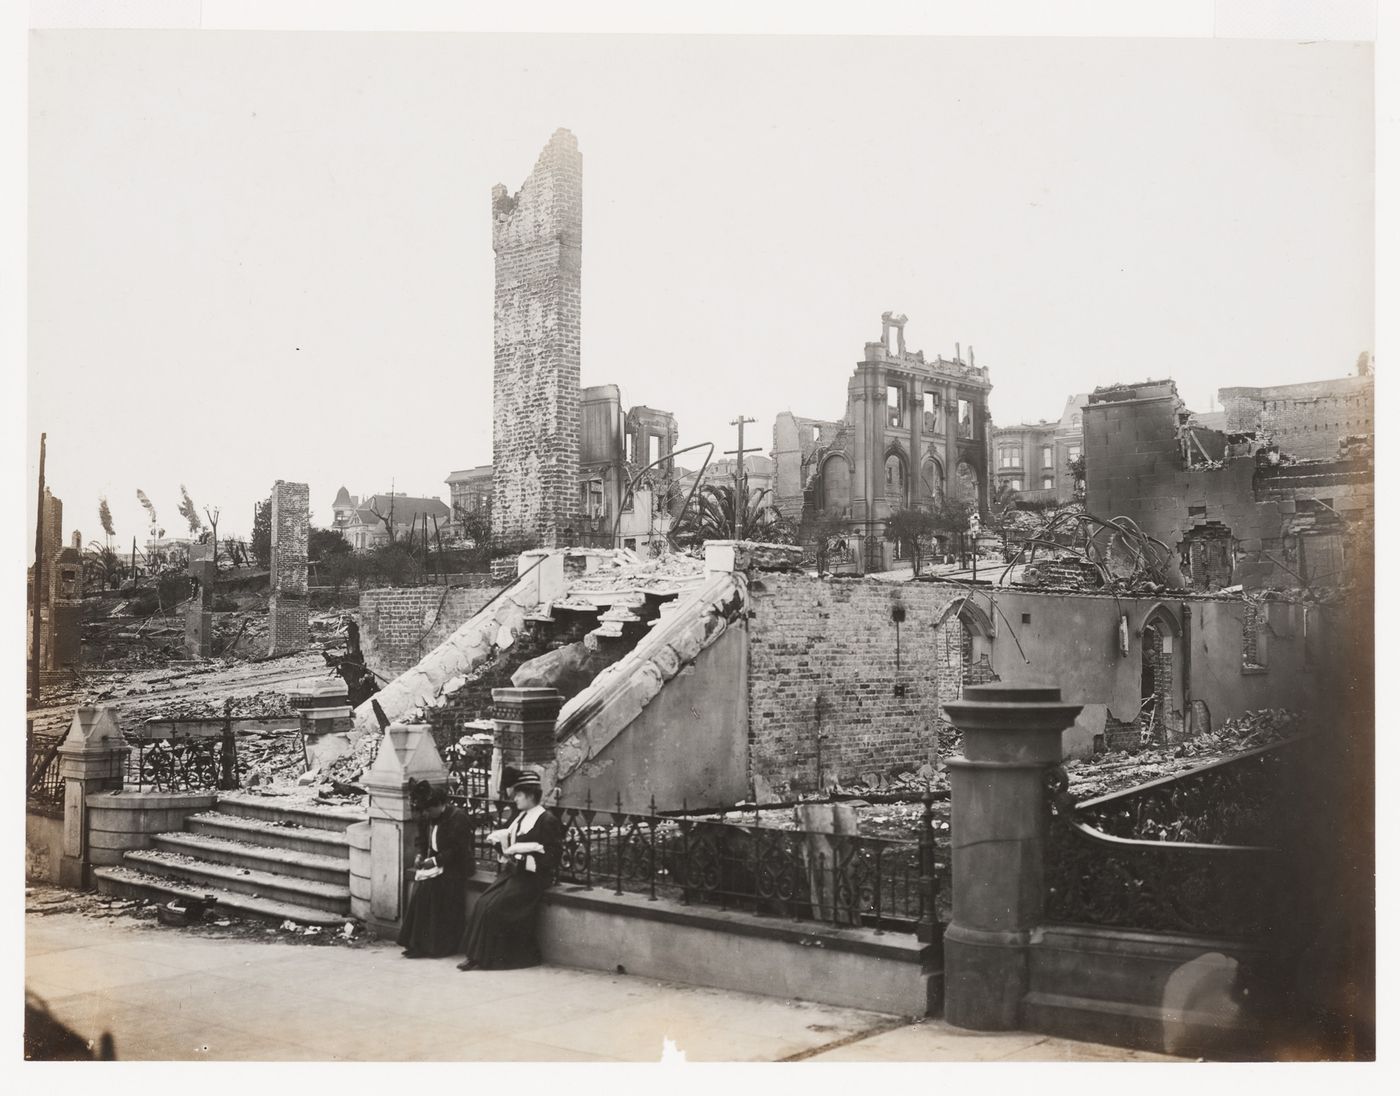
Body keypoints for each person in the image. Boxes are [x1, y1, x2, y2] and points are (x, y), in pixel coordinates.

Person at [456, 769, 562, 971]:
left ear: (530, 795)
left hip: (533, 879)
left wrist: (522, 863)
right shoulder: (520, 818)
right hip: (514, 875)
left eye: (519, 795)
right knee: (483, 902)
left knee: (495, 908)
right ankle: (476, 955)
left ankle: (497, 958)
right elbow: (510, 845)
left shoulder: (546, 820)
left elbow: (552, 857)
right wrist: (501, 847)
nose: (515, 799)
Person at [397, 779, 475, 959]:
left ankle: (437, 946)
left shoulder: (458, 818)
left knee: (432, 891)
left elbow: (458, 850)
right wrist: (420, 855)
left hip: (456, 866)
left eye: (430, 809)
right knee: (420, 892)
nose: (427, 814)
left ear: (441, 805)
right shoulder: (428, 818)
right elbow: (422, 841)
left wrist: (436, 861)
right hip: (437, 864)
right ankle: (417, 943)